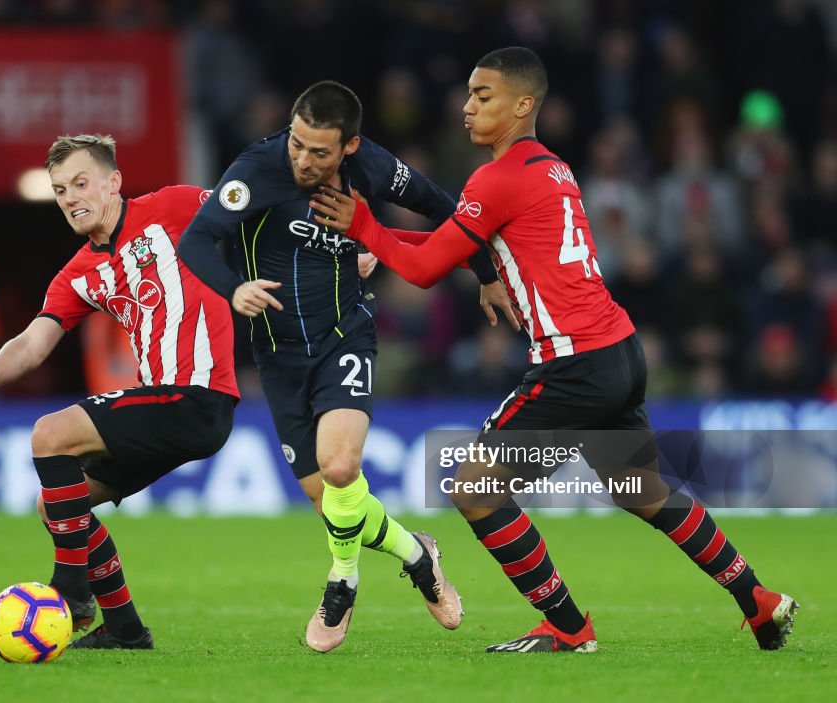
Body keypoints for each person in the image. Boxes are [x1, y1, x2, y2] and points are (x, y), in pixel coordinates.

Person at [309, 48, 798, 653]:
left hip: (574, 363)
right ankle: (759, 601)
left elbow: (427, 268)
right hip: (618, 349)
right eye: (468, 94)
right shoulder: (550, 168)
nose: (466, 107)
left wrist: (364, 226)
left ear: (522, 104)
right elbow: (453, 241)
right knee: (643, 490)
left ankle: (567, 627)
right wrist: (378, 241)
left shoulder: (497, 177)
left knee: (473, 486)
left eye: (482, 96)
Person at [178, 80, 499, 652]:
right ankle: (417, 554)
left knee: (340, 467)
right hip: (277, 355)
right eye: (297, 144)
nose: (301, 160)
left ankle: (341, 581)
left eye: (318, 152)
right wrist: (234, 288)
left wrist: (486, 274)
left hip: (343, 336)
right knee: (328, 500)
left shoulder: (373, 167)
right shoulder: (255, 170)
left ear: (349, 147)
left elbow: (446, 210)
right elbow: (197, 241)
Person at [0, 134, 238, 650]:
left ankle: (71, 591)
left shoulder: (172, 205)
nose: (70, 198)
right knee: (55, 507)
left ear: (114, 182)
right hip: (167, 405)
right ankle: (125, 630)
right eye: (60, 190)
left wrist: (345, 248)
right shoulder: (79, 273)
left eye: (81, 183)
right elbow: (36, 340)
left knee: (49, 433)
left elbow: (249, 206)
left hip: (198, 393)